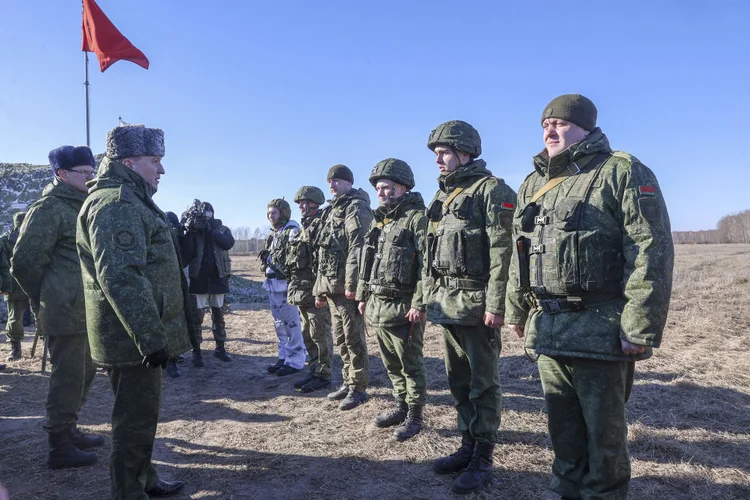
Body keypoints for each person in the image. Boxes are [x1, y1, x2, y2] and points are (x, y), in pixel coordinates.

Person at [505, 94, 674, 499]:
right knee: (561, 427)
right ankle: (564, 488)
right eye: (544, 123)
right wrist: (516, 308)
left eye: (560, 123)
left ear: (585, 126)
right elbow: (519, 250)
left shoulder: (621, 172)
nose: (549, 129)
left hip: (600, 330)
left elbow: (650, 251)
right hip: (549, 328)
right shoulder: (534, 183)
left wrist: (639, 327)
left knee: (604, 437)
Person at [77, 124, 192, 499]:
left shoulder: (132, 200)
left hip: (132, 334)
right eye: (154, 161)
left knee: (141, 414)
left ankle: (145, 478)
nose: (161, 170)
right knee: (135, 419)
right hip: (131, 337)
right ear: (128, 161)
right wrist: (150, 338)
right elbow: (123, 277)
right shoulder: (117, 204)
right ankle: (128, 491)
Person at [424, 120, 516, 494]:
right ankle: (467, 445)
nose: (438, 160)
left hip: (478, 306)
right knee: (458, 382)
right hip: (448, 304)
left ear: (465, 152)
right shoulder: (444, 197)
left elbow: (503, 251)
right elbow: (431, 255)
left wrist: (497, 304)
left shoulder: (491, 190)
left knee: (483, 384)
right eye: (436, 154)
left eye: (444, 152)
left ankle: (484, 456)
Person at [12, 147, 103, 469]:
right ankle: (59, 445)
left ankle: (70, 427)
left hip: (89, 309)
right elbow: (23, 262)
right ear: (62, 174)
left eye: (93, 172)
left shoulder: (83, 206)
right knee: (67, 378)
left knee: (86, 374)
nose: (91, 178)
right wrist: (48, 295)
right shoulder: (48, 209)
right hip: (64, 311)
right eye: (85, 173)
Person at [356, 159, 428, 441]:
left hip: (404, 307)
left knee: (410, 364)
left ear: (403, 186)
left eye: (386, 187)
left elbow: (427, 265)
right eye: (378, 189)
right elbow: (367, 261)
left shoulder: (417, 219)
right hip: (379, 305)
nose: (382, 193)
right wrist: (363, 296)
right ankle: (400, 406)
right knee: (391, 363)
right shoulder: (381, 222)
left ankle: (415, 414)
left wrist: (419, 303)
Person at [313, 165, 373, 411]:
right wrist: (319, 289)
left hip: (346, 288)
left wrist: (353, 285)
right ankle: (348, 382)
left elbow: (358, 248)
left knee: (353, 338)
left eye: (337, 180)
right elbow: (322, 252)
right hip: (331, 288)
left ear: (349, 183)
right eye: (330, 181)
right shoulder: (332, 211)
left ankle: (359, 388)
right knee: (340, 338)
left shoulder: (356, 207)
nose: (332, 185)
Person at [286, 186, 333, 392]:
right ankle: (313, 371)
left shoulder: (323, 226)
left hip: (316, 292)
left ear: (316, 203)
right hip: (302, 292)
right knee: (307, 333)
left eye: (306, 203)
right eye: (300, 204)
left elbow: (324, 262)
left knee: (320, 334)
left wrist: (321, 291)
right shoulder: (302, 228)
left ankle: (324, 375)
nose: (302, 207)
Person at [181, 201, 235, 365]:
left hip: (218, 280)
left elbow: (228, 243)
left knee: (219, 317)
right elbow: (187, 255)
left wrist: (211, 230)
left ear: (213, 213)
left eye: (208, 212)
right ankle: (197, 352)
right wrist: (190, 231)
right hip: (199, 281)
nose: (205, 216)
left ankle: (220, 348)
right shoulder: (195, 231)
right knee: (196, 319)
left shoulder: (221, 228)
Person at [261, 199, 306, 376]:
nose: (270, 216)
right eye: (269, 213)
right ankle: (284, 356)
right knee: (279, 324)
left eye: (274, 213)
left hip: (286, 285)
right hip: (273, 285)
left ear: (283, 213)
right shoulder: (274, 234)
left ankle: (295, 361)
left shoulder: (292, 231)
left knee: (292, 324)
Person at [1, 212, 30, 361]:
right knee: (15, 318)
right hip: (14, 285)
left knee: (43, 317)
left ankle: (49, 346)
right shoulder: (5, 241)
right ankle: (15, 349)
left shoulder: (36, 236)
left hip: (35, 283)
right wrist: (4, 286)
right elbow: (2, 265)